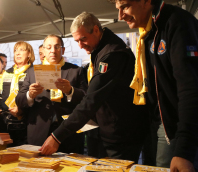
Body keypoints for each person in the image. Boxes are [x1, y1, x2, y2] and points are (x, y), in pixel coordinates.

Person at [39, 12, 149, 162]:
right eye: (77, 40)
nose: (80, 45)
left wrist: (57, 136)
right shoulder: (100, 50)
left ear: (96, 30)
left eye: (83, 39)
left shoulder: (111, 54)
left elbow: (91, 99)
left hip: (121, 135)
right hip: (106, 131)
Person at [112, 0, 198, 171]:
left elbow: (191, 89)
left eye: (125, 7)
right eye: (118, 9)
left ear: (146, 1)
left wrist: (184, 150)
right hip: (153, 125)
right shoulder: (147, 31)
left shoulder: (177, 23)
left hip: (173, 129)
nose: (120, 16)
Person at [16, 35, 87, 154]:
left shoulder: (76, 71)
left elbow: (86, 98)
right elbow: (19, 100)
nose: (53, 50)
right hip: (39, 132)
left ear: (63, 50)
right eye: (48, 47)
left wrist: (70, 91)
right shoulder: (32, 71)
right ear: (43, 50)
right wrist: (30, 95)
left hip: (68, 134)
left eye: (57, 47)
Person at [0, 41, 35, 147]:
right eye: (15, 50)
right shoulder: (7, 72)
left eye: (21, 50)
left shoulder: (33, 72)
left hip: (25, 122)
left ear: (29, 54)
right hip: (5, 122)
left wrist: (21, 110)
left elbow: (37, 99)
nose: (17, 53)